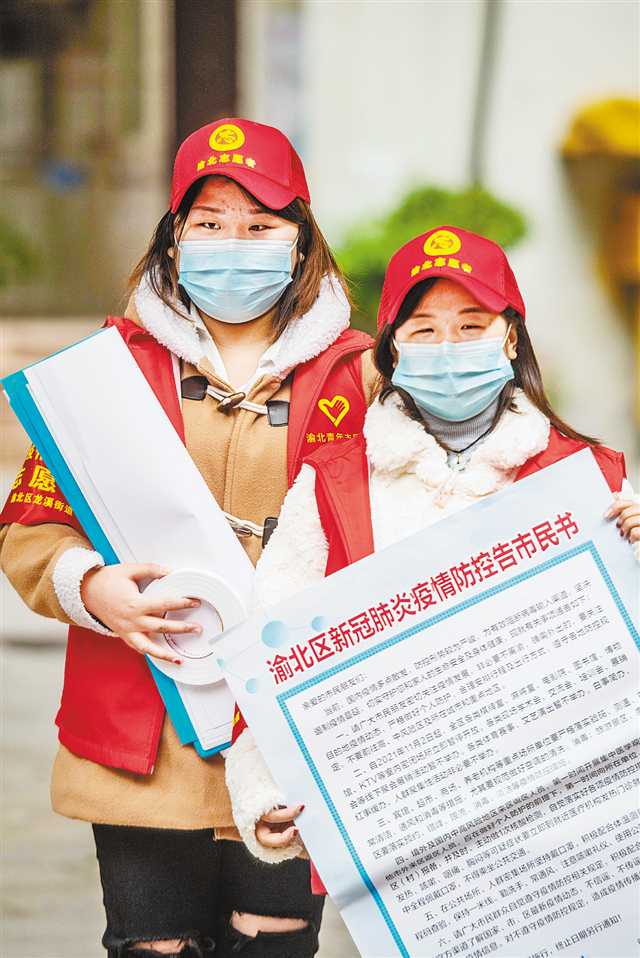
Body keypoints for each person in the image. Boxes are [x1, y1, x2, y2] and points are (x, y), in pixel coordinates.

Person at [0, 118, 379, 957]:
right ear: (174, 238)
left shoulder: (361, 373)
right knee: (152, 944)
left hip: (294, 730)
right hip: (145, 734)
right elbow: (31, 527)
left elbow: (448, 491)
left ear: (301, 240)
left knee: (275, 942)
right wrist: (90, 587)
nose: (233, 244)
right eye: (209, 222)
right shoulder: (105, 371)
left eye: (260, 225)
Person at [224, 225, 640, 891]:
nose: (449, 348)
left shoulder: (586, 477)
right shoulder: (333, 484)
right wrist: (264, 787)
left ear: (511, 338)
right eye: (424, 330)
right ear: (391, 351)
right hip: (409, 830)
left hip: (565, 825)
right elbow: (275, 645)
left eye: (472, 326)